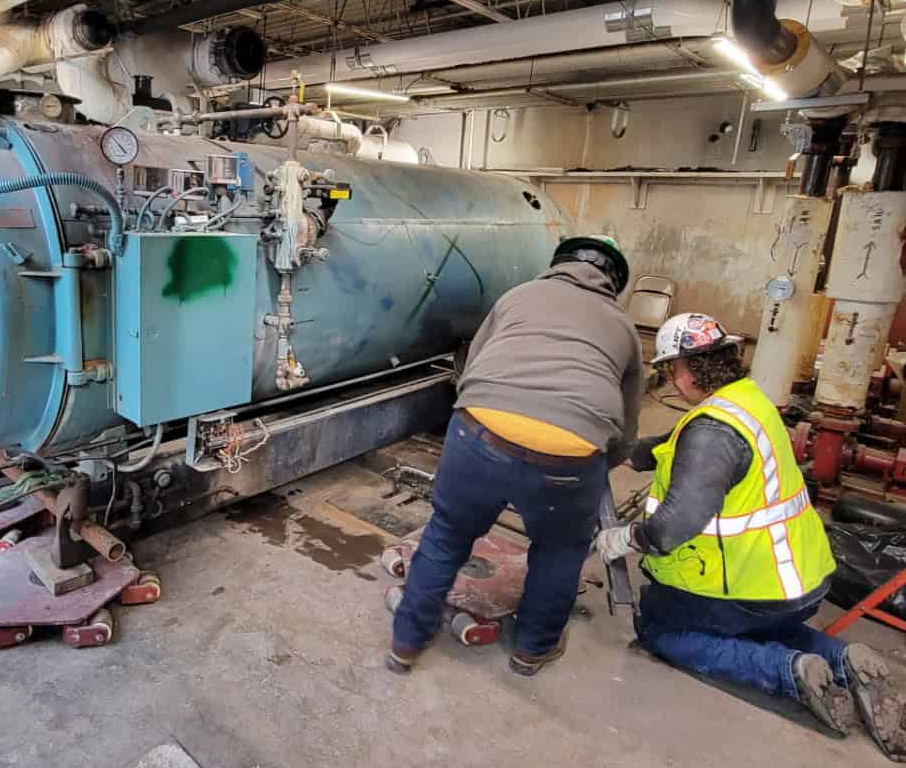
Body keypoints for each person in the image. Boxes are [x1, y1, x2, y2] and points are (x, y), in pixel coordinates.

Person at [596, 312, 905, 758]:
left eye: (671, 369)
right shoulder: (745, 401)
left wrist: (625, 538)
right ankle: (839, 658)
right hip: (800, 581)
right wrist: (627, 454)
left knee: (659, 625)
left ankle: (786, 670)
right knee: (755, 624)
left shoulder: (711, 434)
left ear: (686, 369)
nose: (671, 379)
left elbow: (673, 528)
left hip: (753, 588)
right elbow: (672, 445)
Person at [388, 234, 644, 676]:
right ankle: (532, 651)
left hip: (481, 431)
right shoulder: (622, 327)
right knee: (560, 551)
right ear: (612, 281)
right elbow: (626, 419)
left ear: (558, 265)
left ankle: (406, 643)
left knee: (447, 535)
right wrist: (604, 460)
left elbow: (472, 365)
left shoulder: (518, 295)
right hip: (570, 450)